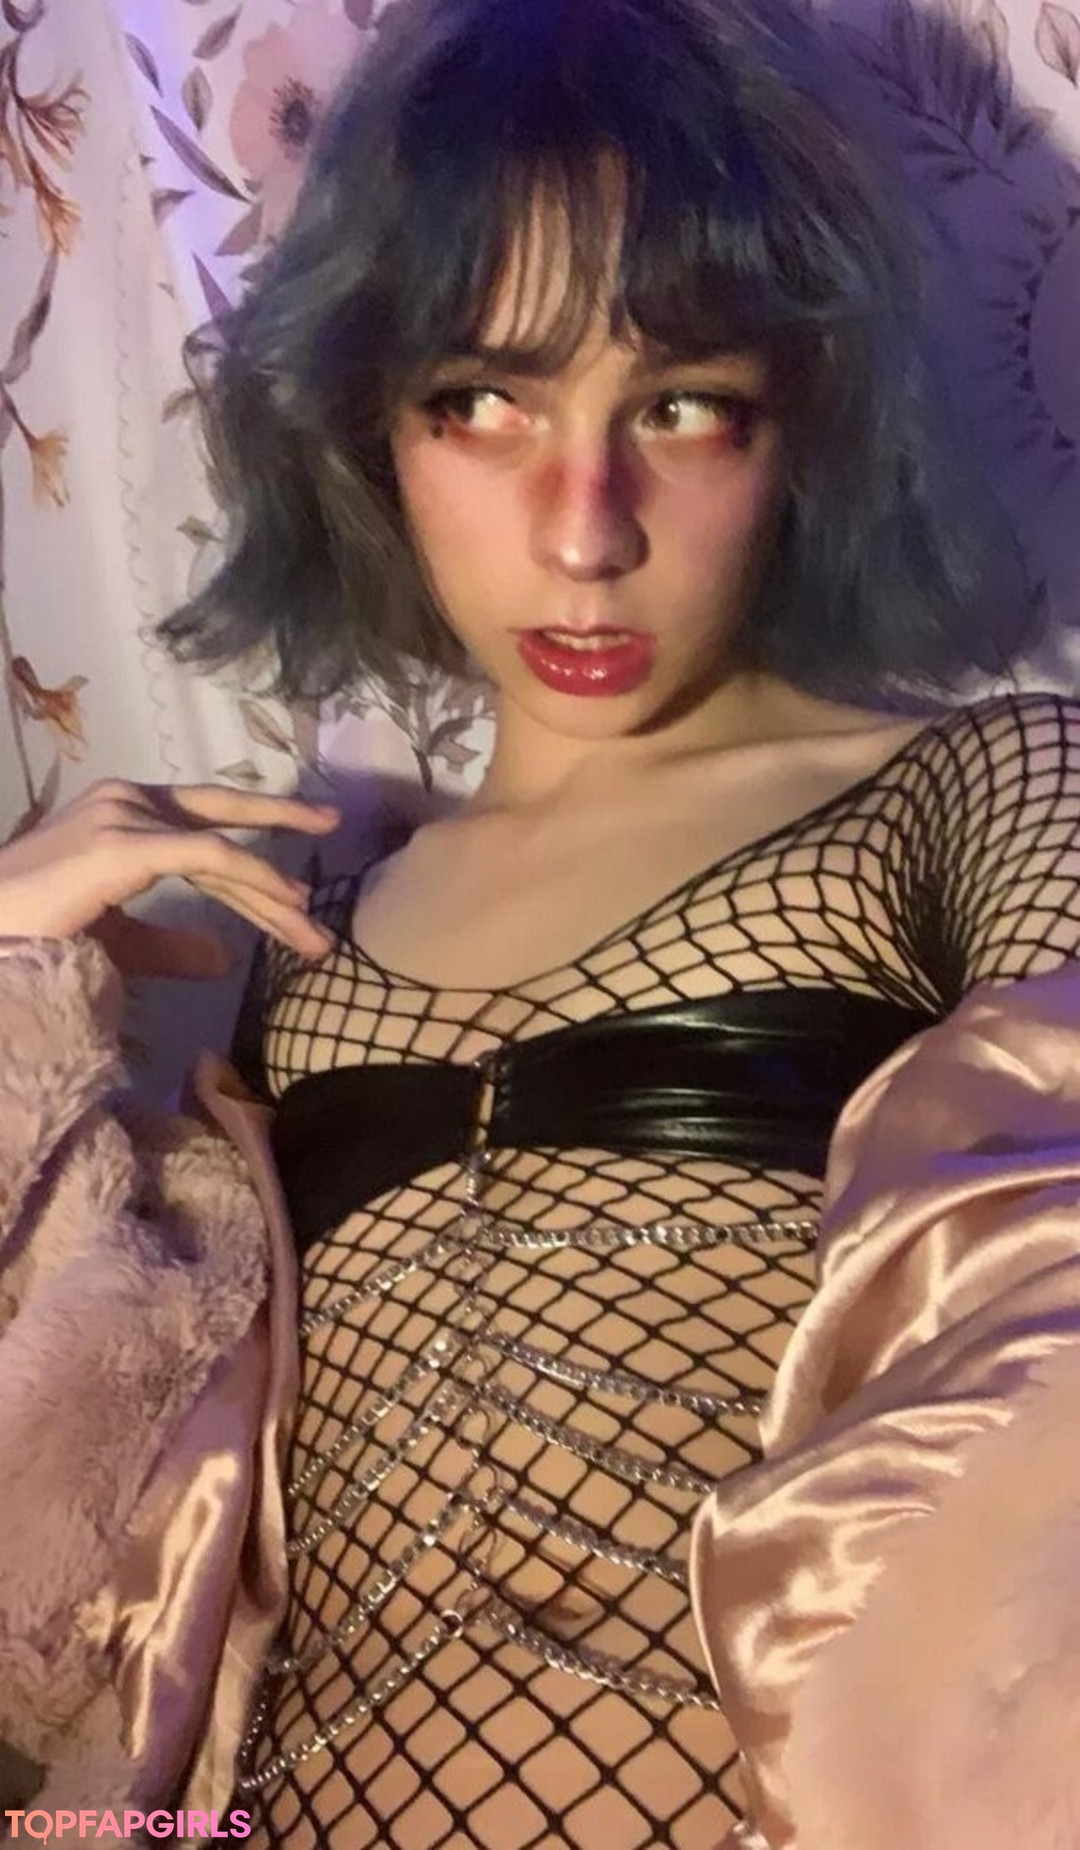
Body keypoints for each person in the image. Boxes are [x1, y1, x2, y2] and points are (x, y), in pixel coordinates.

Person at [3, 0, 1080, 1845]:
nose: (587, 532)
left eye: (682, 405)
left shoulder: (980, 788)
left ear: (802, 421)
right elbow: (61, 1574)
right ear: (370, 428)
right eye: (484, 402)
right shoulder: (301, 926)